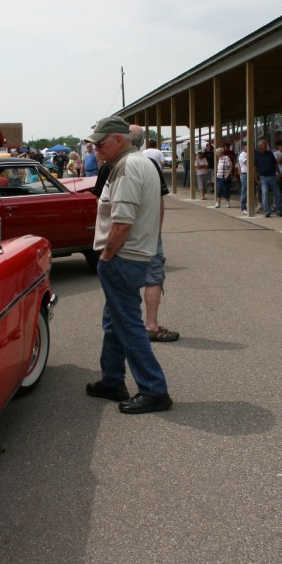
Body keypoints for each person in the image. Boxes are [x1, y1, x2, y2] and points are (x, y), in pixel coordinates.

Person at [84, 116, 172, 414]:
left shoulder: (127, 167)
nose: (95, 149)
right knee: (115, 320)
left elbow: (122, 223)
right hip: (134, 256)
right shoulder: (141, 163)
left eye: (100, 143)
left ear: (119, 139)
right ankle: (112, 380)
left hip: (123, 258)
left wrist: (106, 258)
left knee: (127, 324)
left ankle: (154, 389)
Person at [127, 126, 179, 343]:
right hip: (147, 231)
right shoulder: (149, 166)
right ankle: (150, 325)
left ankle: (128, 326)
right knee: (153, 276)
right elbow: (159, 200)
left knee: (124, 279)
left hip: (122, 232)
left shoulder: (113, 166)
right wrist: (156, 232)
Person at [254, 140, 279, 217]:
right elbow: (255, 167)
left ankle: (279, 209)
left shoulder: (270, 153)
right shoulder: (256, 155)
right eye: (265, 145)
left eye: (266, 145)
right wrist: (256, 178)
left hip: (272, 175)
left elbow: (275, 164)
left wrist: (279, 173)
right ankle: (267, 211)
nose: (266, 146)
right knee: (264, 193)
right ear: (260, 146)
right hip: (263, 177)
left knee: (277, 193)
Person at [238, 144, 249, 213]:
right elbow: (248, 163)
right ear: (244, 147)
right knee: (244, 191)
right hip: (245, 174)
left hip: (249, 174)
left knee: (250, 191)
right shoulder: (243, 154)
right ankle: (243, 207)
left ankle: (247, 205)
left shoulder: (248, 154)